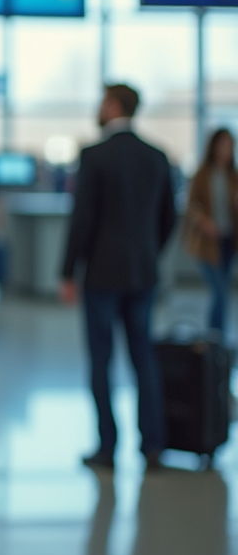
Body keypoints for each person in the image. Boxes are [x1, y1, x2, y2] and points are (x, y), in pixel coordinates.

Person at [60, 84, 175, 471]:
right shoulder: (157, 156)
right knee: (144, 358)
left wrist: (67, 270)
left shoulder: (95, 155)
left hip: (102, 275)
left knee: (102, 359)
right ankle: (153, 446)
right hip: (144, 272)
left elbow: (83, 219)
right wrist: (148, 252)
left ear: (114, 105)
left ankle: (108, 448)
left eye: (103, 101)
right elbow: (168, 218)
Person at [183, 128, 238, 337]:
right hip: (207, 243)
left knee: (222, 293)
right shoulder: (203, 174)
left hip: (228, 241)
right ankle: (215, 338)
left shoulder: (233, 176)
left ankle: (217, 341)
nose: (225, 150)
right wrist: (204, 221)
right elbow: (191, 206)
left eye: (229, 146)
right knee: (220, 293)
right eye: (221, 145)